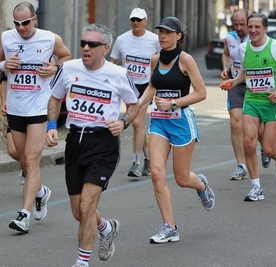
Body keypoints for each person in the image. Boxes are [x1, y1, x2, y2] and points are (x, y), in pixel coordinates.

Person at [46, 23, 141, 267]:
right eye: (83, 43)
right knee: (79, 212)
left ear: (106, 48)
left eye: (93, 44)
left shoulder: (118, 74)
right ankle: (106, 227)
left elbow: (134, 105)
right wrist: (51, 127)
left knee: (88, 205)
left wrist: (123, 123)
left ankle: (82, 262)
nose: (86, 48)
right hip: (75, 140)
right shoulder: (68, 68)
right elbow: (55, 97)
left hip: (103, 143)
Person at [137, 16, 215, 243]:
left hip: (181, 122)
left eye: (168, 32)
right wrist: (139, 103)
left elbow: (201, 92)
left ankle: (201, 184)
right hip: (159, 122)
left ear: (178, 36)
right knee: (157, 174)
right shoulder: (154, 59)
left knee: (182, 178)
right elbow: (153, 86)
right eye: (161, 32)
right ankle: (169, 226)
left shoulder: (186, 60)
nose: (163, 36)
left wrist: (173, 103)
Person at [0, 1, 71, 233]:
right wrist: (3, 64)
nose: (21, 28)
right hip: (16, 109)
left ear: (35, 19)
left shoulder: (50, 38)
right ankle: (41, 192)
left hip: (40, 108)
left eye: (25, 23)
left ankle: (24, 215)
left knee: (31, 160)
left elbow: (67, 56)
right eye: (17, 23)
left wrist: (55, 68)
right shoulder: (6, 38)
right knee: (23, 159)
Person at [220, 13, 276, 201]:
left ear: (265, 29)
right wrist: (233, 81)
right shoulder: (243, 48)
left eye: (257, 27)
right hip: (252, 100)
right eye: (250, 26)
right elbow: (245, 73)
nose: (253, 30)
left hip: (273, 103)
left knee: (269, 149)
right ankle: (256, 187)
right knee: (248, 142)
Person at [110, 7, 161, 178]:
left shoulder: (154, 40)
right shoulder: (122, 39)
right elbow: (113, 61)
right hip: (127, 87)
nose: (136, 23)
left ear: (145, 21)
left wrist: (159, 83)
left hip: (146, 86)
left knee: (138, 122)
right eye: (133, 19)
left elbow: (165, 60)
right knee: (138, 124)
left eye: (139, 20)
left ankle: (136, 163)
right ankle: (148, 159)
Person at [220, 9, 271, 181]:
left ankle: (265, 148)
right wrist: (226, 69)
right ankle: (241, 165)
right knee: (235, 123)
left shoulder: (256, 37)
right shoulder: (229, 38)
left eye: (243, 24)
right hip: (236, 83)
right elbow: (226, 54)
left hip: (254, 86)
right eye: (236, 24)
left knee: (258, 127)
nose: (240, 28)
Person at [0, 70, 25, 184]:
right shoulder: (9, 55)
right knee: (13, 150)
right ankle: (28, 165)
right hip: (14, 108)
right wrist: (4, 101)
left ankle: (30, 169)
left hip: (35, 108)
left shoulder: (40, 54)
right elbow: (3, 80)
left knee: (29, 151)